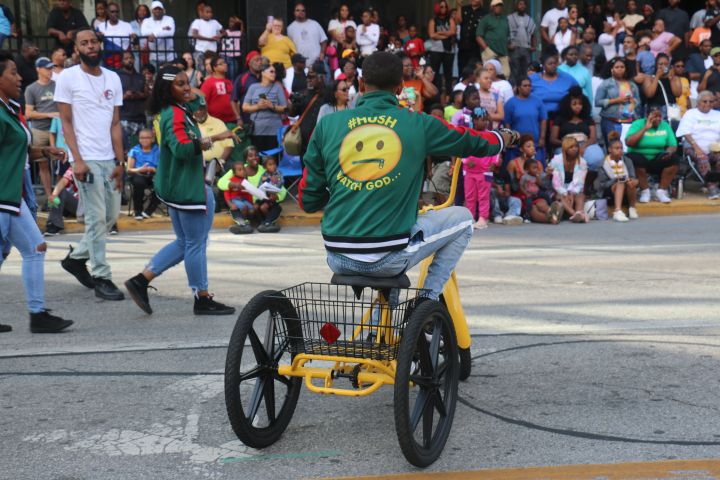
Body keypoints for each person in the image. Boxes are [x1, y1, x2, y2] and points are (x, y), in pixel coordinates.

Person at [299, 51, 513, 302]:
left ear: (360, 85)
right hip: (389, 256)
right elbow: (469, 141)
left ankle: (379, 328)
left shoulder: (328, 125)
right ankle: (427, 300)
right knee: (464, 219)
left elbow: (308, 200)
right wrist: (502, 138)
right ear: (401, 87)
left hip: (337, 254)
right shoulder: (418, 123)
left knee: (397, 233)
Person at [124, 66, 236, 316]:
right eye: (180, 84)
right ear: (167, 89)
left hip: (177, 187)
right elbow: (184, 149)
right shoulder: (174, 114)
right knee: (196, 243)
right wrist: (216, 139)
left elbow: (198, 98)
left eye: (187, 82)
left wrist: (187, 90)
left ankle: (141, 280)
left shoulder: (173, 109)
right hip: (188, 189)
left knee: (185, 242)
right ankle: (202, 297)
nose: (188, 88)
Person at [0, 51, 73, 333]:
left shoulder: (10, 108)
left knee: (35, 249)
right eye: (12, 73)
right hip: (3, 199)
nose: (19, 78)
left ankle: (38, 314)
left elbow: (14, 148)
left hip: (12, 199)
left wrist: (44, 150)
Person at [54, 28, 125, 301]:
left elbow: (116, 123)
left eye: (94, 41)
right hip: (86, 159)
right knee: (96, 218)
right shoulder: (68, 77)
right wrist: (78, 160)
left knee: (109, 217)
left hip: (110, 158)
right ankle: (102, 276)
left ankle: (75, 259)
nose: (91, 46)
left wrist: (120, 161)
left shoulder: (113, 78)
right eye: (84, 43)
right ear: (77, 49)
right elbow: (66, 122)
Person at [218, 146, 286, 233]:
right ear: (246, 159)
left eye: (256, 155)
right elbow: (221, 182)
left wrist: (277, 196)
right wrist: (233, 184)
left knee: (275, 206)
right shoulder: (239, 168)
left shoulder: (264, 170)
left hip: (259, 204)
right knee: (236, 206)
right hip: (244, 203)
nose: (254, 158)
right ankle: (242, 224)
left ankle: (267, 223)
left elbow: (282, 189)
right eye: (250, 156)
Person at [624, 108, 679, 204]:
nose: (658, 119)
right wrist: (645, 128)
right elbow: (629, 142)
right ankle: (645, 191)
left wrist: (668, 152)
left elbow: (673, 145)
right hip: (639, 155)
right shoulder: (637, 124)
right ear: (647, 116)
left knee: (674, 159)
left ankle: (661, 191)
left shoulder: (665, 125)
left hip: (657, 157)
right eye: (654, 116)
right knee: (634, 159)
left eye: (660, 116)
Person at [25, 57, 58, 204]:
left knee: (60, 164)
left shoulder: (57, 85)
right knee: (43, 165)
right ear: (38, 69)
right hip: (40, 129)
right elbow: (29, 113)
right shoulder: (31, 89)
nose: (50, 71)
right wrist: (49, 114)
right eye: (47, 68)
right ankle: (50, 196)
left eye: (51, 68)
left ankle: (59, 195)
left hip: (57, 130)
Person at [676, 90, 720, 199]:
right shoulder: (690, 114)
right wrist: (696, 148)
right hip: (692, 147)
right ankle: (712, 187)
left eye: (711, 101)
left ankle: (716, 183)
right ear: (698, 102)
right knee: (702, 158)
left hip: (714, 148)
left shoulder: (717, 114)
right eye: (705, 101)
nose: (708, 104)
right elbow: (685, 132)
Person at [462, 109, 502, 229]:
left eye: (486, 120)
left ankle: (483, 218)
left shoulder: (491, 135)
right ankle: (470, 217)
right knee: (470, 196)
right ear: (474, 120)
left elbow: (496, 149)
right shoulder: (468, 134)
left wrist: (494, 163)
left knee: (483, 196)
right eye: (481, 120)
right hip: (469, 171)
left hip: (485, 171)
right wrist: (466, 161)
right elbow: (463, 149)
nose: (484, 122)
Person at [550, 86, 604, 171]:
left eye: (580, 104)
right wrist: (568, 145)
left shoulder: (587, 119)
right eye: (574, 104)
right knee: (566, 162)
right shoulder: (560, 119)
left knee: (596, 158)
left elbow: (593, 138)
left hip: (585, 145)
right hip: (565, 145)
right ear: (568, 105)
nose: (578, 106)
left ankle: (588, 182)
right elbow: (553, 139)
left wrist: (583, 147)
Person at [596, 57, 641, 146]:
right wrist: (616, 100)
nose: (620, 69)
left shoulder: (632, 85)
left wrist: (633, 101)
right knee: (613, 147)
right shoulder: (606, 84)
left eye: (622, 67)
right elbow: (597, 102)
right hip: (611, 121)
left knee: (627, 147)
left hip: (629, 121)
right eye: (617, 67)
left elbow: (638, 101)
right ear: (611, 69)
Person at [242, 63, 287, 152]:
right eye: (271, 71)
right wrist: (258, 106)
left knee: (272, 158)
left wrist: (272, 106)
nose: (274, 74)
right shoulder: (253, 87)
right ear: (263, 73)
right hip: (257, 129)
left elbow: (284, 108)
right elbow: (245, 107)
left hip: (274, 130)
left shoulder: (278, 87)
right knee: (257, 156)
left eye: (274, 72)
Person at [596, 131, 639, 222]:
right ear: (610, 150)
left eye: (621, 148)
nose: (620, 150)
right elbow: (603, 185)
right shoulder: (603, 163)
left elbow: (633, 177)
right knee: (620, 183)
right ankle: (617, 211)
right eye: (617, 148)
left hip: (626, 192)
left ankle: (632, 208)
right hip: (609, 193)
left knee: (630, 183)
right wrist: (616, 179)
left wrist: (633, 181)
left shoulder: (627, 161)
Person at [503, 76, 547, 153]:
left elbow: (543, 120)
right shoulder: (510, 103)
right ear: (519, 88)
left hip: (535, 143)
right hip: (517, 144)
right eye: (525, 86)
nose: (528, 88)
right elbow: (507, 123)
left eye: (529, 85)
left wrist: (542, 138)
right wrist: (511, 140)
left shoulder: (537, 101)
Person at [549, 136, 588, 222]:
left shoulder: (582, 162)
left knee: (581, 196)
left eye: (576, 146)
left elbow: (580, 182)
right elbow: (556, 182)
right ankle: (574, 214)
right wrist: (565, 192)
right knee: (559, 196)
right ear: (565, 148)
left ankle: (579, 213)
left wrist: (572, 192)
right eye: (571, 147)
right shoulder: (556, 160)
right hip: (559, 190)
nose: (574, 149)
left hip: (574, 190)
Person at [126, 129, 160, 220]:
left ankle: (149, 210)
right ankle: (138, 211)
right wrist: (140, 169)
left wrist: (154, 170)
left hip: (154, 174)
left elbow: (163, 167)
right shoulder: (134, 150)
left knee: (162, 184)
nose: (144, 140)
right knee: (138, 182)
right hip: (139, 174)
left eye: (147, 138)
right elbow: (129, 170)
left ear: (152, 139)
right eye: (142, 138)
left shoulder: (158, 150)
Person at [117, 51, 147, 151]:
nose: (129, 60)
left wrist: (138, 94)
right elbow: (112, 97)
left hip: (140, 117)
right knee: (127, 150)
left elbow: (146, 94)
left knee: (143, 150)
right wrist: (125, 95)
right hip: (124, 117)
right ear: (122, 61)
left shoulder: (140, 77)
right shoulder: (117, 76)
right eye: (126, 58)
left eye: (131, 58)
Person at [427, 0, 456, 101]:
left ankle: (448, 96)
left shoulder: (450, 19)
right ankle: (435, 96)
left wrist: (439, 33)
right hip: (436, 50)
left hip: (449, 50)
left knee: (448, 74)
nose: (444, 9)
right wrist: (446, 35)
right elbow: (431, 35)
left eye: (445, 7)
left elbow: (453, 32)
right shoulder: (433, 20)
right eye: (442, 7)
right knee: (434, 73)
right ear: (438, 8)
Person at [200, 56, 240, 128]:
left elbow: (235, 100)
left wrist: (238, 117)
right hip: (215, 121)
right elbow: (203, 101)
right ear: (214, 68)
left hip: (232, 120)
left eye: (225, 63)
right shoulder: (208, 83)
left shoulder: (229, 82)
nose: (225, 65)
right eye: (221, 64)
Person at [643, 53, 682, 122]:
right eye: (660, 64)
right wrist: (657, 77)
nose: (663, 66)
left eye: (666, 64)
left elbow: (678, 94)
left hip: (671, 112)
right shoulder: (649, 78)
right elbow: (649, 94)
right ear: (656, 65)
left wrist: (671, 79)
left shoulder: (675, 78)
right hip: (656, 111)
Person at [475, 0, 509, 78]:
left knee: (506, 74)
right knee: (488, 75)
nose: (499, 7)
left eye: (500, 5)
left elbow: (506, 36)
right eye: (497, 6)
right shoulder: (486, 19)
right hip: (489, 52)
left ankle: (502, 89)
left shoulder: (505, 19)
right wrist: (487, 49)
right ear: (492, 7)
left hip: (503, 52)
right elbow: (478, 36)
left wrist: (508, 52)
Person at [95, 2, 134, 70]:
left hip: (124, 62)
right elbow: (96, 42)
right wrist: (98, 36)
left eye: (117, 11)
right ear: (107, 12)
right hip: (108, 61)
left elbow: (134, 40)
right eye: (112, 12)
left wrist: (134, 37)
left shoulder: (127, 25)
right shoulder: (101, 26)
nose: (115, 14)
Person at [287, 2, 327, 67]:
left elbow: (324, 40)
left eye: (303, 10)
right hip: (299, 65)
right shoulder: (289, 28)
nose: (301, 12)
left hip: (317, 62)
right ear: (294, 12)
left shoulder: (315, 24)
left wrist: (322, 53)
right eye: (298, 10)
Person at [507, 0, 536, 86]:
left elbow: (533, 34)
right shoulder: (510, 18)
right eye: (520, 4)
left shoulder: (529, 19)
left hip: (526, 49)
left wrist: (533, 46)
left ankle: (524, 89)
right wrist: (507, 45)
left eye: (524, 4)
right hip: (514, 48)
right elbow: (504, 33)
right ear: (516, 5)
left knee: (526, 71)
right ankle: (514, 90)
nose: (522, 6)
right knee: (515, 71)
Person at [46, 165, 80, 236]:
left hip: (94, 207)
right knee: (59, 192)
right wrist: (54, 195)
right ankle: (53, 225)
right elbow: (63, 181)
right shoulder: (75, 165)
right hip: (79, 205)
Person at [189, 3, 224, 70]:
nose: (209, 14)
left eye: (211, 12)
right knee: (201, 71)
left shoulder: (215, 22)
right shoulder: (197, 22)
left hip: (213, 52)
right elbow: (194, 34)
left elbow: (224, 32)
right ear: (202, 13)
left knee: (212, 70)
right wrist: (209, 39)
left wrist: (219, 36)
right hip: (200, 51)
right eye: (207, 12)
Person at [140, 1, 176, 65]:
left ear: (163, 10)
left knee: (168, 75)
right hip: (154, 56)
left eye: (159, 9)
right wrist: (162, 29)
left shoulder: (169, 19)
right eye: (155, 9)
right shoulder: (147, 21)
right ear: (152, 11)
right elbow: (144, 33)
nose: (157, 10)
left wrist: (154, 34)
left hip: (169, 56)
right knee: (155, 75)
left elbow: (170, 32)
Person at [456, 0, 486, 72]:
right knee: (462, 69)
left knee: (474, 70)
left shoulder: (484, 12)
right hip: (463, 46)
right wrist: (459, 6)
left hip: (475, 47)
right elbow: (457, 21)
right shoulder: (464, 9)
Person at [224, 162, 255, 228]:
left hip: (244, 200)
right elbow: (226, 193)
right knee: (244, 207)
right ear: (234, 172)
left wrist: (252, 203)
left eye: (243, 169)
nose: (243, 171)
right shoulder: (231, 181)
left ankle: (249, 221)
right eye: (240, 170)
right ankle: (243, 222)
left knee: (252, 209)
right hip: (235, 200)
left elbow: (249, 194)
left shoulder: (245, 181)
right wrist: (230, 204)